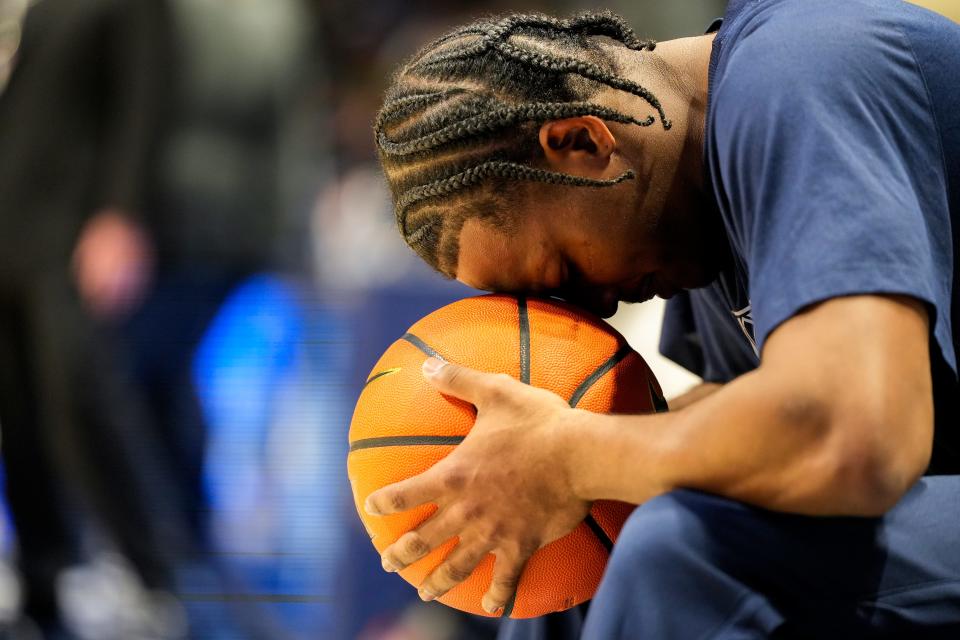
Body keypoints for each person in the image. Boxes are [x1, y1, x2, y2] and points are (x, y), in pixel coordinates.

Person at [364, 1, 960, 637]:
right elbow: (749, 421)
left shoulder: (800, 76)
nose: (596, 309)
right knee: (580, 562)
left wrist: (569, 456)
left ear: (583, 142)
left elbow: (853, 442)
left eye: (565, 271)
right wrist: (532, 470)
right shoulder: (684, 219)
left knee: (677, 553)